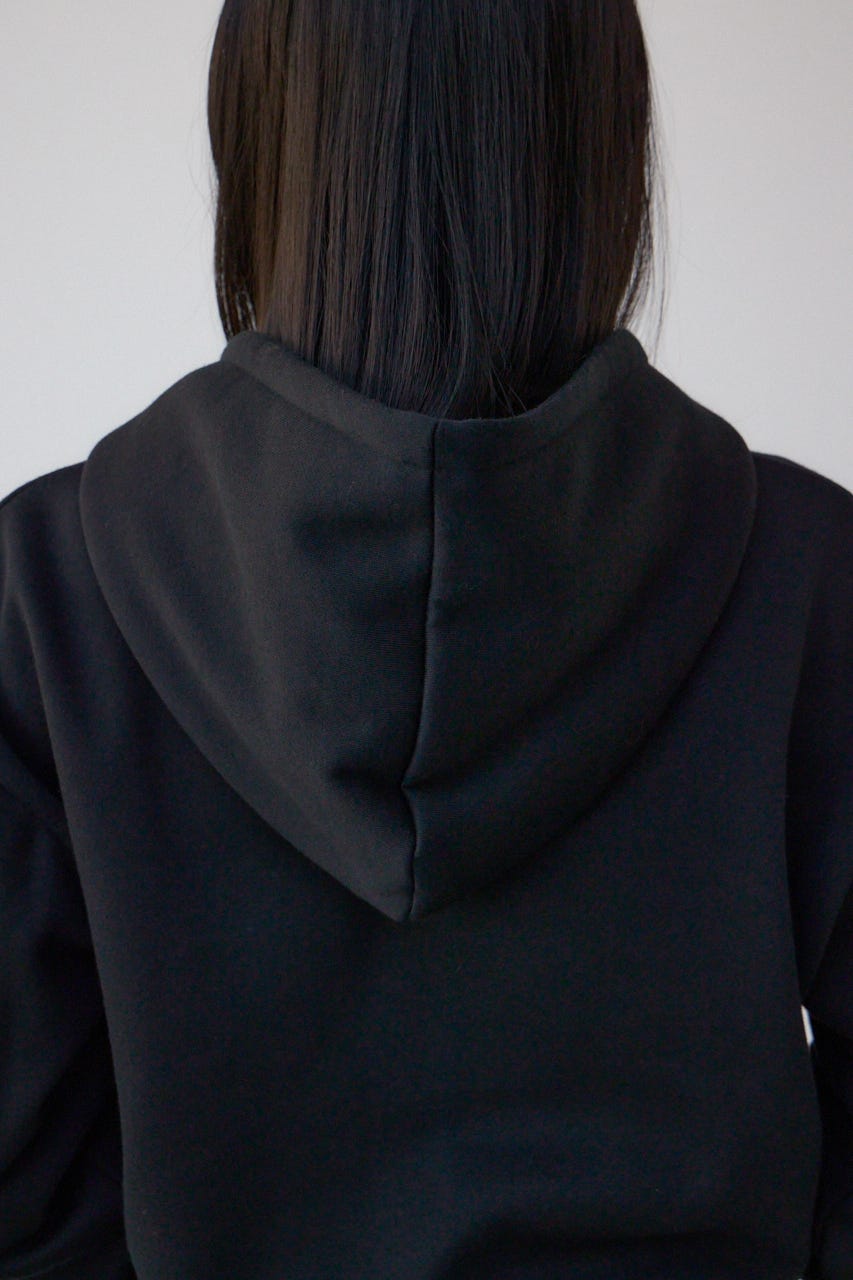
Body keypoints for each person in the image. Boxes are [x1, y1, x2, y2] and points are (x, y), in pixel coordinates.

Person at [0, 1, 849, 1277]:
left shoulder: (43, 598)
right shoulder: (808, 575)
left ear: (262, 133)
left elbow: (26, 1205)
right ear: (600, 145)